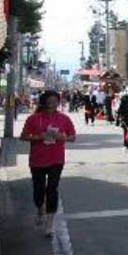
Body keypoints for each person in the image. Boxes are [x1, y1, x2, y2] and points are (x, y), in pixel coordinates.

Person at [19, 90, 76, 237]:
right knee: (38, 190)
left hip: (56, 159)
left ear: (59, 102)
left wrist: (61, 136)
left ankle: (49, 223)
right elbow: (23, 136)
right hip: (37, 159)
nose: (52, 105)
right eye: (49, 102)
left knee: (52, 189)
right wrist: (39, 137)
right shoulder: (34, 118)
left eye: (55, 102)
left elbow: (72, 137)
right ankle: (39, 207)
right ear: (44, 102)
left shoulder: (64, 118)